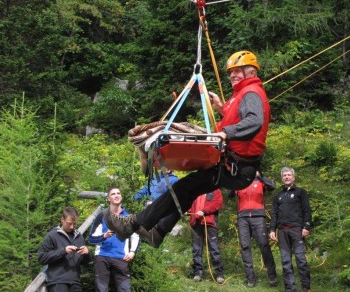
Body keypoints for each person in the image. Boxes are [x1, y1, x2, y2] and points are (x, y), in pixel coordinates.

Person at [105, 50, 271, 251]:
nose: (232, 76)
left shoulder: (251, 93)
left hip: (237, 167)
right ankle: (157, 232)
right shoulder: (242, 94)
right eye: (230, 72)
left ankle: (132, 224)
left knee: (185, 188)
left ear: (251, 71)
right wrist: (220, 108)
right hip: (233, 165)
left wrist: (226, 133)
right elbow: (237, 117)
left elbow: (254, 121)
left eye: (237, 71)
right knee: (186, 190)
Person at [88, 186, 140, 292]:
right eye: (113, 194)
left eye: (118, 193)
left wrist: (132, 252)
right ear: (108, 199)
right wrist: (104, 236)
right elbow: (91, 239)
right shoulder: (102, 215)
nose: (116, 195)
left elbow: (136, 236)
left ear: (121, 197)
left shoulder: (128, 217)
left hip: (121, 257)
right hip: (102, 256)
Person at [269, 167, 312, 292]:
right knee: (285, 261)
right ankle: (290, 289)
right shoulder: (278, 195)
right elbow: (274, 214)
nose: (287, 177)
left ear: (293, 177)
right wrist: (272, 230)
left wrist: (306, 226)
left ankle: (305, 288)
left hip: (296, 230)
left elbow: (307, 210)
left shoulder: (300, 192)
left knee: (300, 259)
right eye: (284, 175)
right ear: (282, 178)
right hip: (282, 231)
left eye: (289, 175)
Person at [231, 171, 278, 287]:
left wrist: (260, 176)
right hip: (243, 218)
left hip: (258, 217)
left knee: (264, 245)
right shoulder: (240, 182)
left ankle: (272, 275)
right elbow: (229, 194)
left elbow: (272, 186)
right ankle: (250, 278)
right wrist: (235, 180)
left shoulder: (260, 181)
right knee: (245, 246)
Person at [38, 207, 90, 292]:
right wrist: (63, 251)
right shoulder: (52, 235)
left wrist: (87, 254)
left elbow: (85, 263)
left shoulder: (79, 237)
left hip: (75, 282)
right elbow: (41, 258)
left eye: (74, 224)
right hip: (58, 281)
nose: (72, 227)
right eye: (69, 223)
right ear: (62, 219)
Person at [188, 189, 225, 284]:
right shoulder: (196, 189)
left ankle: (219, 274)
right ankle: (198, 273)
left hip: (210, 222)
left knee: (214, 248)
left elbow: (218, 203)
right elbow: (190, 203)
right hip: (196, 223)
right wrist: (188, 211)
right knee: (196, 248)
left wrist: (204, 211)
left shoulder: (215, 190)